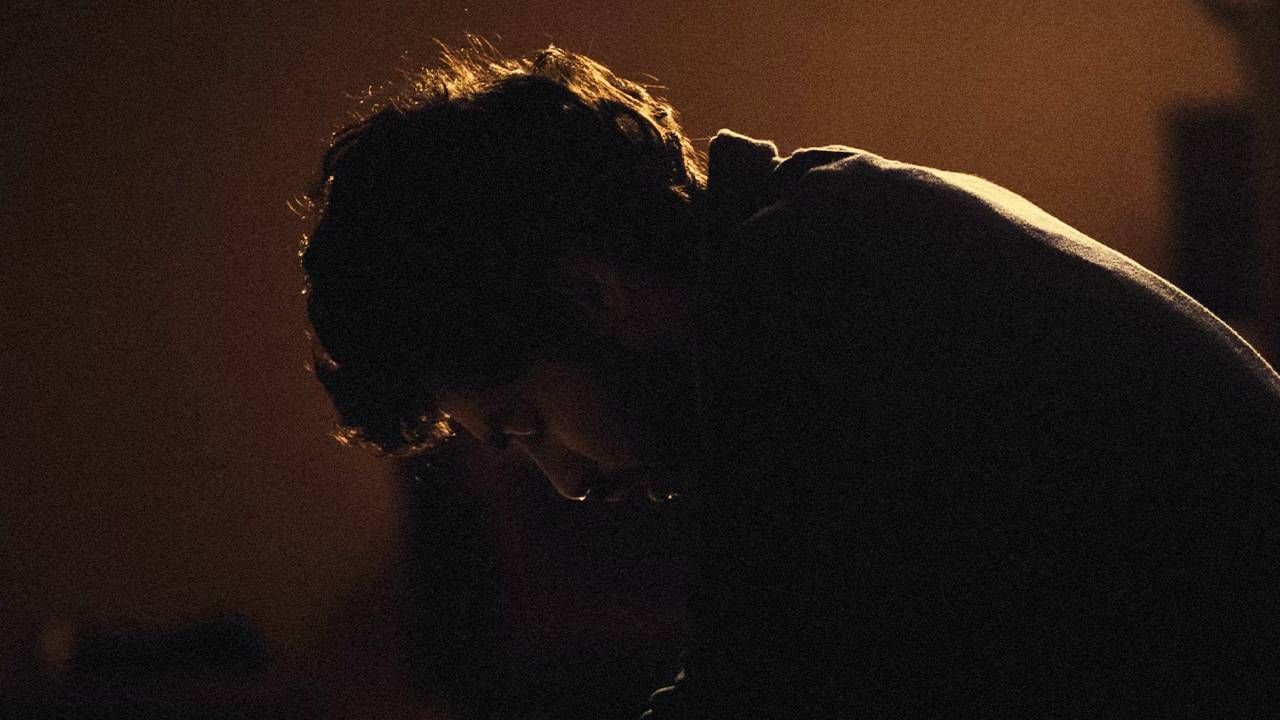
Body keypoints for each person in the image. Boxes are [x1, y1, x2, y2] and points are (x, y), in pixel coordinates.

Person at [299, 41, 1280, 718]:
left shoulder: (810, 301)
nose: (567, 481)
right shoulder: (813, 233)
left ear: (590, 294)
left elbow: (761, 688)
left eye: (526, 426)